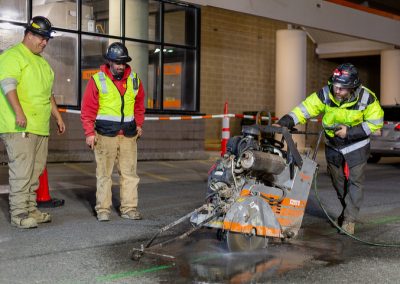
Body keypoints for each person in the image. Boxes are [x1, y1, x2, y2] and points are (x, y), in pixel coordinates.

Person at [274, 63, 383, 234]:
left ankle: (349, 219)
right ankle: (347, 209)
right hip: (333, 144)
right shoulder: (326, 93)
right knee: (337, 180)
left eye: (342, 88)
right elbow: (306, 108)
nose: (336, 91)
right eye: (335, 86)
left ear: (353, 87)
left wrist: (350, 132)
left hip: (357, 145)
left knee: (355, 182)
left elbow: (375, 124)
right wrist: (287, 120)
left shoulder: (367, 98)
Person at [0, 16, 66, 229]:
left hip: (39, 126)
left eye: (47, 39)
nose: (45, 43)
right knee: (21, 170)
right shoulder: (13, 56)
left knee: (35, 171)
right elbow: (8, 84)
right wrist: (19, 112)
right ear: (29, 35)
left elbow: (49, 95)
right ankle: (19, 213)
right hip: (19, 125)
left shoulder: (43, 63)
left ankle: (30, 209)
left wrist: (58, 117)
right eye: (41, 38)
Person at [81, 42, 145, 222]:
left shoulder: (134, 79)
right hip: (104, 135)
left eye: (123, 63)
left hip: (128, 136)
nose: (120, 66)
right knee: (104, 174)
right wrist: (89, 133)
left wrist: (139, 123)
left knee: (130, 174)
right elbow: (87, 110)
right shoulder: (98, 80)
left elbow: (139, 105)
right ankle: (103, 209)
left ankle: (129, 208)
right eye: (117, 62)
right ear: (109, 61)